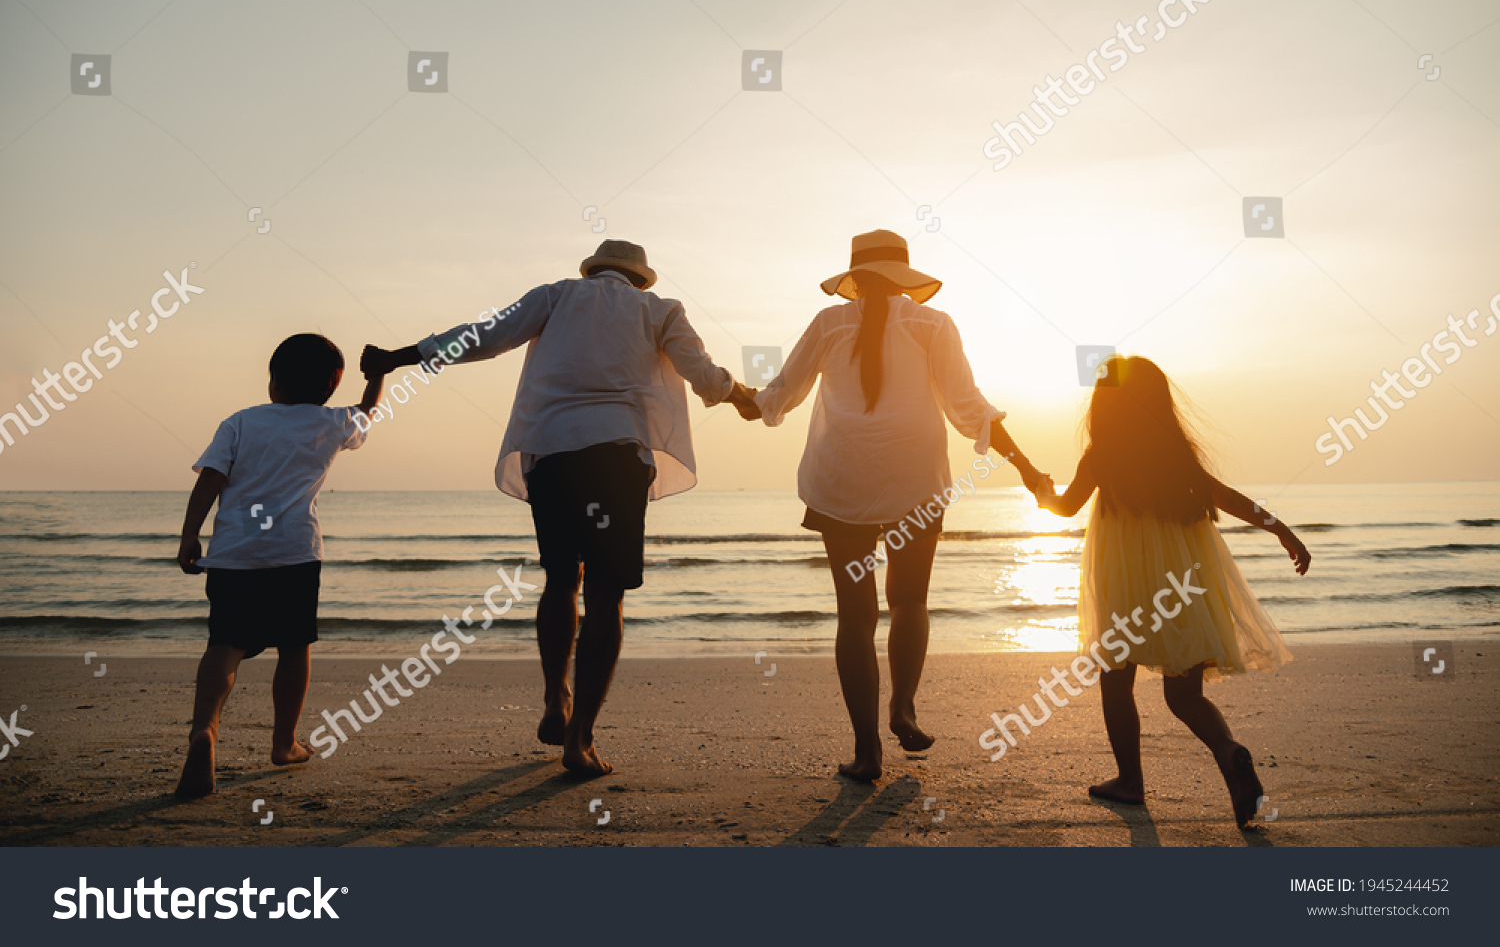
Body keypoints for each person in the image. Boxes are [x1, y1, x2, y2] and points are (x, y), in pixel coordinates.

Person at [361, 240, 758, 777]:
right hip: (615, 458)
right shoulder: (660, 309)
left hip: (550, 454)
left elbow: (482, 338)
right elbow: (701, 372)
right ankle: (581, 738)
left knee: (559, 580)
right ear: (641, 278)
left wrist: (398, 358)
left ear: (594, 270)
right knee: (606, 594)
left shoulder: (555, 297)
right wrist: (743, 398)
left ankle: (555, 696)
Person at [741, 230, 1048, 782]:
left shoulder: (829, 323)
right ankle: (903, 708)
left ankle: (867, 753)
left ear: (855, 277)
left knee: (855, 618)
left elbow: (778, 396)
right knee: (909, 602)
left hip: (842, 481)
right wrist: (1024, 466)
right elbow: (968, 407)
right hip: (916, 485)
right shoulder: (934, 324)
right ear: (906, 275)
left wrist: (730, 394)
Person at [1033, 354, 1309, 827]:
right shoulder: (1176, 458)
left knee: (1115, 680)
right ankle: (1228, 750)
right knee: (1184, 697)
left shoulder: (1101, 455)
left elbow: (1066, 506)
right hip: (1181, 588)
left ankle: (1130, 780)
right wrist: (1282, 530)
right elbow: (1228, 498)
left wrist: (1040, 490)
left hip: (1125, 586)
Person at [174, 333, 387, 799]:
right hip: (294, 554)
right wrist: (379, 375)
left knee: (224, 645)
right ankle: (283, 743)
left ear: (273, 380)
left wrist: (191, 533)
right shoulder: (330, 424)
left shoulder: (240, 422)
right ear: (332, 384)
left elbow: (211, 479)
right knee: (294, 647)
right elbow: (367, 413)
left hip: (233, 555)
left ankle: (205, 731)